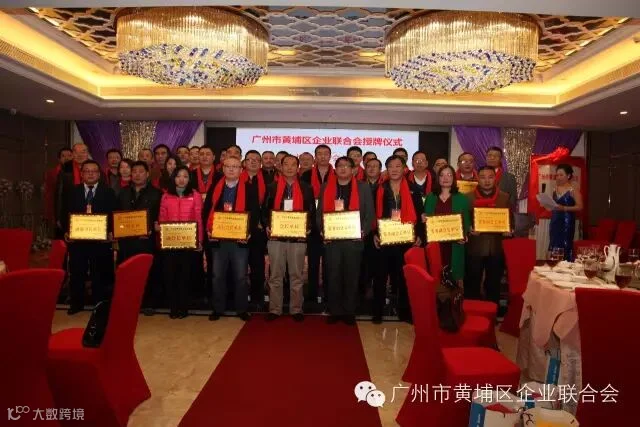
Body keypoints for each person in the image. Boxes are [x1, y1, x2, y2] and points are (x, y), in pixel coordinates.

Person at [317, 156, 375, 325]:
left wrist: (363, 231)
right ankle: (335, 310)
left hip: (354, 240)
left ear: (353, 169)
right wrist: (322, 231)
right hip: (332, 241)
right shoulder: (326, 186)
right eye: (340, 166)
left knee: (352, 275)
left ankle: (349, 311)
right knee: (333, 275)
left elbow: (370, 214)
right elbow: (319, 213)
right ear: (335, 169)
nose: (343, 168)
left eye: (346, 166)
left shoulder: (363, 187)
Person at [263, 154, 316, 321]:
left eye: (293, 164)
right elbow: (264, 210)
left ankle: (296, 309)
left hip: (297, 238)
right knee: (275, 275)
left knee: (296, 275)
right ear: (281, 166)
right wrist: (267, 225)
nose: (290, 167)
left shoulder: (306, 187)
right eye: (286, 164)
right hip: (276, 238)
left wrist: (308, 227)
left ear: (298, 168)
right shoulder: (271, 187)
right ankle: (275, 309)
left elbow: (311, 211)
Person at [207, 157, 260, 321]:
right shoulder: (215, 187)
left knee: (240, 276)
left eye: (235, 166)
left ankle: (241, 309)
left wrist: (248, 233)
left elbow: (255, 213)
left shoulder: (249, 189)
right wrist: (209, 230)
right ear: (223, 168)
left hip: (239, 240)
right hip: (219, 239)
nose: (231, 169)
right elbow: (207, 210)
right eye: (228, 166)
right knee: (217, 276)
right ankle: (218, 308)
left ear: (241, 169)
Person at [372, 155, 424, 323]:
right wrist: (374, 234)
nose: (394, 169)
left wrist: (419, 235)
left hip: (406, 239)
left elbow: (420, 214)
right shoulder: (379, 188)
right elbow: (374, 214)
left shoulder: (414, 189)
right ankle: (377, 312)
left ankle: (405, 312)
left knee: (404, 278)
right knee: (380, 277)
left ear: (404, 168)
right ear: (387, 169)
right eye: (391, 166)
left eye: (398, 166)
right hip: (384, 238)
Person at [62, 160, 116, 315]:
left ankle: (100, 305)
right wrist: (67, 231)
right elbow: (64, 213)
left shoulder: (109, 192)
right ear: (82, 174)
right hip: (78, 241)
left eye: (94, 171)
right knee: (77, 272)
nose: (90, 174)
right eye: (87, 171)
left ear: (99, 174)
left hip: (101, 241)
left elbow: (114, 214)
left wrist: (111, 232)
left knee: (100, 273)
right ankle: (76, 303)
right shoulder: (73, 191)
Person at [116, 161, 163, 314]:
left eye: (141, 171)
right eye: (134, 171)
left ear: (147, 174)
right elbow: (116, 214)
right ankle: (128, 302)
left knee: (147, 271)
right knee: (127, 272)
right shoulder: (123, 193)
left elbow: (160, 216)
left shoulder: (157, 193)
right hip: (126, 241)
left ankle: (149, 302)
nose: (137, 175)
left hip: (147, 241)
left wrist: (153, 227)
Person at [158, 166, 203, 319]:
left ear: (189, 179)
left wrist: (199, 240)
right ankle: (173, 307)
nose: (182, 179)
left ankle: (184, 307)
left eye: (185, 176)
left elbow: (198, 219)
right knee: (170, 275)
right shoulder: (166, 196)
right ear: (174, 178)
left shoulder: (195, 195)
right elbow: (162, 218)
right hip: (170, 242)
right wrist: (162, 238)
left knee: (185, 276)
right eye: (178, 176)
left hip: (188, 242)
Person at [465, 166, 511, 306]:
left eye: (490, 177)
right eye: (483, 177)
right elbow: (464, 220)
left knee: (493, 284)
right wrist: (469, 228)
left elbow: (510, 219)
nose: (486, 181)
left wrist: (509, 229)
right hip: (475, 247)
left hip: (496, 248)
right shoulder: (468, 197)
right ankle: (472, 312)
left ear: (495, 179)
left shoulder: (504, 197)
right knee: (472, 283)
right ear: (477, 178)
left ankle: (492, 312)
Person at [424, 165, 471, 286]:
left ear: (453, 178)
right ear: (438, 178)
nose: (445, 178)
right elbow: (427, 220)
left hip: (455, 245)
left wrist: (464, 235)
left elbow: (466, 223)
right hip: (435, 244)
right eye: (442, 175)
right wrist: (423, 218)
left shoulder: (462, 198)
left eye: (449, 175)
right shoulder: (430, 197)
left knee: (454, 281)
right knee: (435, 279)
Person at [301, 144, 335, 303]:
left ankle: (329, 296)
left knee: (330, 263)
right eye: (319, 153)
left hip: (331, 224)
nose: (322, 156)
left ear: (330, 156)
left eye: (325, 153)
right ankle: (312, 297)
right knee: (313, 263)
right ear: (315, 157)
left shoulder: (336, 174)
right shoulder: (306, 175)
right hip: (312, 226)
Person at [242, 150, 267, 308]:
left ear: (260, 163)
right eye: (249, 159)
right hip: (239, 230)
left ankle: (257, 299)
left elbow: (268, 206)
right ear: (244, 162)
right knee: (239, 267)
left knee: (257, 266)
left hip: (258, 230)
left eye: (256, 160)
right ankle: (240, 298)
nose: (253, 162)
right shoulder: (236, 179)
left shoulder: (267, 181)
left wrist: (262, 222)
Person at [548, 164, 583, 261]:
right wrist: (549, 205)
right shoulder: (555, 188)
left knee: (565, 245)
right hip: (555, 221)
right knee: (554, 244)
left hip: (566, 222)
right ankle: (554, 266)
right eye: (557, 175)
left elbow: (580, 207)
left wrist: (564, 208)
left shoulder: (573, 189)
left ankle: (566, 265)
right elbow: (554, 205)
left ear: (568, 176)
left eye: (561, 175)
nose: (558, 177)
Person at [360, 157, 383, 301]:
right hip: (362, 230)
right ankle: (363, 292)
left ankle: (376, 294)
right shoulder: (359, 186)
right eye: (369, 166)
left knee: (378, 264)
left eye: (375, 166)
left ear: (380, 170)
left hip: (380, 232)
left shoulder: (385, 187)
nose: (372, 168)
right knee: (363, 263)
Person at [45, 147, 72, 234]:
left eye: (69, 156)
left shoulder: (77, 172)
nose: (67, 158)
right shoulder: (52, 173)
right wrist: (53, 216)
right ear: (59, 159)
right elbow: (49, 195)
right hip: (57, 211)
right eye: (63, 156)